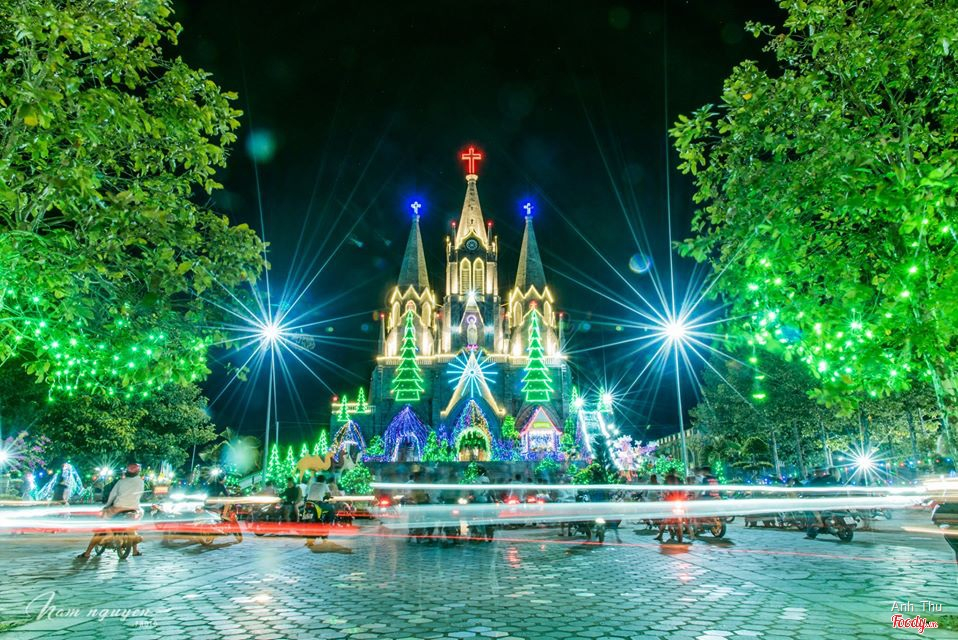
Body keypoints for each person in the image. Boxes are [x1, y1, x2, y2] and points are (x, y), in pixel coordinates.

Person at [78, 463, 145, 558]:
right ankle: (135, 551)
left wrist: (107, 505)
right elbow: (139, 495)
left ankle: (87, 553)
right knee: (132, 526)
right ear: (138, 472)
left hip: (118, 508)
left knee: (101, 525)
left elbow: (112, 495)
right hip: (134, 509)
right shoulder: (141, 482)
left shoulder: (121, 482)